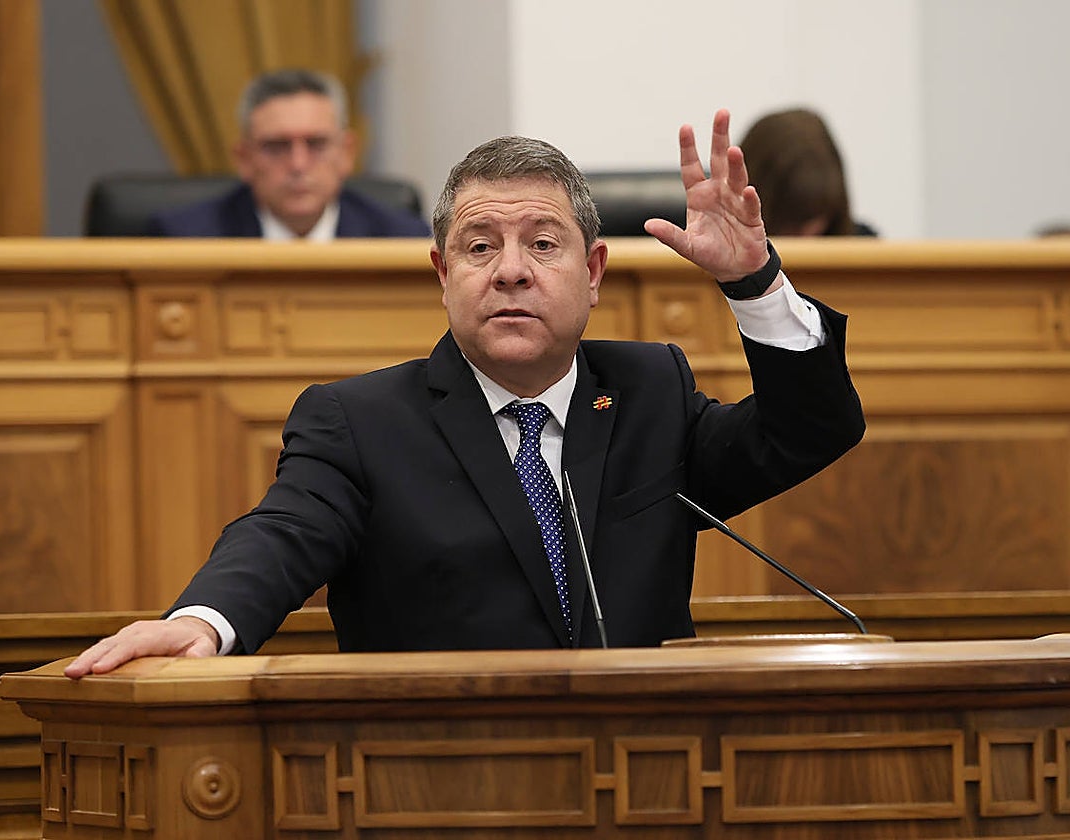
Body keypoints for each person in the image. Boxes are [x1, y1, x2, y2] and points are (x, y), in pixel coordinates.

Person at [67, 109, 864, 675]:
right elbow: (279, 535)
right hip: (436, 783)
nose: (510, 269)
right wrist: (205, 622)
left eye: (542, 244)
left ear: (592, 275)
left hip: (644, 775)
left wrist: (754, 283)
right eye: (480, 246)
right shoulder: (360, 424)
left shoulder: (650, 391)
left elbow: (809, 428)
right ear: (445, 277)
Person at [148, 68, 431, 239]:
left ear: (346, 153)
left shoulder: (401, 239)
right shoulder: (185, 239)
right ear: (244, 159)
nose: (298, 164)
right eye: (276, 146)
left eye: (316, 144)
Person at [739, 107, 876, 237]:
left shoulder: (866, 250)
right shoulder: (727, 254)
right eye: (792, 223)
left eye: (817, 215)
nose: (807, 232)